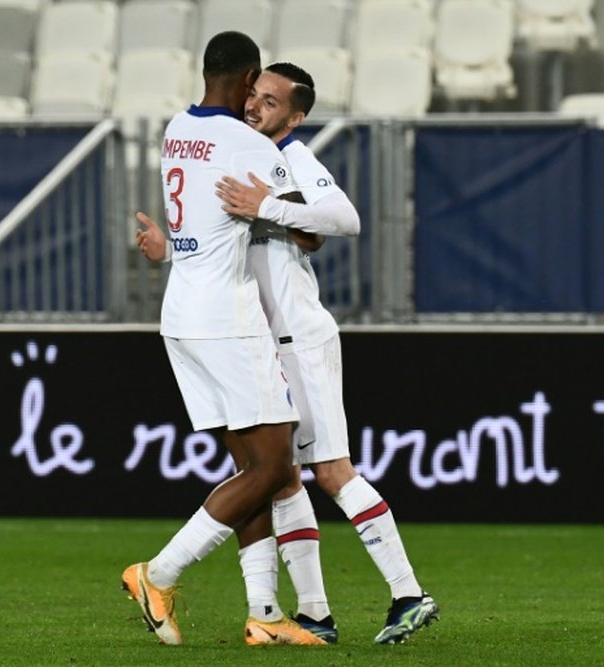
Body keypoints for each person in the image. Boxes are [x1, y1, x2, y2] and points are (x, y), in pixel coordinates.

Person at [138, 62, 440, 645]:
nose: (255, 107)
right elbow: (231, 247)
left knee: (330, 471)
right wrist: (170, 249)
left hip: (299, 338)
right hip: (252, 337)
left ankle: (409, 594)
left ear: (295, 117)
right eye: (254, 95)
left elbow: (342, 220)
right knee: (280, 481)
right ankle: (315, 615)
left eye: (271, 102)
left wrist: (268, 205)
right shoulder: (241, 156)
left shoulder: (294, 159)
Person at [121, 31, 326, 647]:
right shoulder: (246, 141)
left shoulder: (176, 128)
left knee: (251, 466)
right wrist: (273, 203)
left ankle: (264, 614)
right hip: (227, 317)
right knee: (271, 466)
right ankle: (157, 573)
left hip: (182, 309)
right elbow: (310, 230)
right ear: (247, 81)